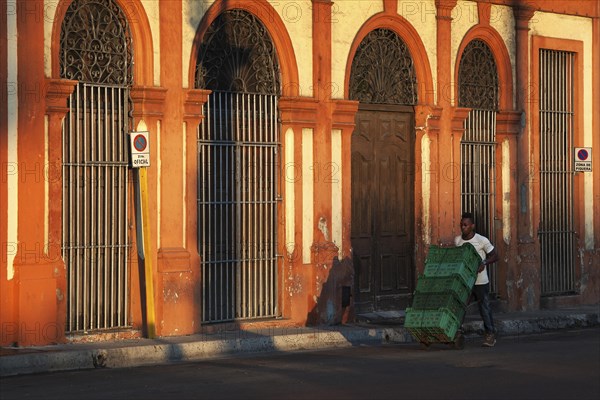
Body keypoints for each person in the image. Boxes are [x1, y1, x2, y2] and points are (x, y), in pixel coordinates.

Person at [455, 212, 499, 347]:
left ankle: (490, 334)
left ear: (472, 226)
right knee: (460, 306)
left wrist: (484, 263)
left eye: (466, 225)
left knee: (484, 308)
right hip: (465, 282)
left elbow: (495, 256)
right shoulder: (458, 241)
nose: (463, 227)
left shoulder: (482, 240)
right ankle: (457, 332)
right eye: (461, 225)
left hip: (480, 281)